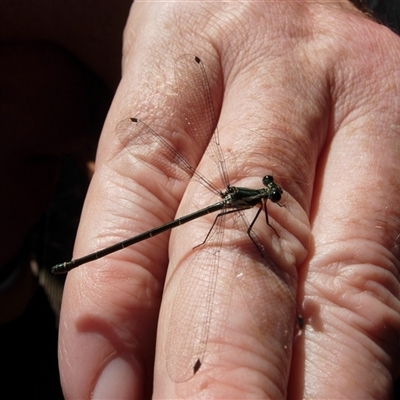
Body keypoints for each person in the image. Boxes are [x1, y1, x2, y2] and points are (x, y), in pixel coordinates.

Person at [1, 1, 400, 399]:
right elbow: (249, 226)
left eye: (272, 192)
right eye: (271, 191)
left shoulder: (255, 202)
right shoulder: (257, 204)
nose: (273, 194)